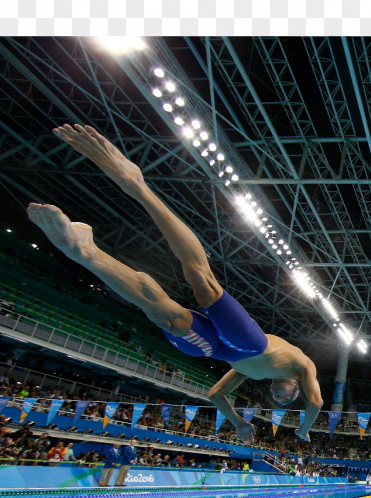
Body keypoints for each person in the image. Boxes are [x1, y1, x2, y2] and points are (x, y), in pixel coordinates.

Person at [28, 124, 323, 444]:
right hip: (250, 340)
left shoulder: (248, 374)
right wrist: (305, 428)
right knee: (202, 283)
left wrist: (238, 423)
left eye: (278, 401)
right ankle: (136, 183)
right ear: (295, 389)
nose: (281, 399)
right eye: (287, 399)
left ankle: (86, 252)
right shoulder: (301, 366)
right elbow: (318, 402)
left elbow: (215, 395)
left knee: (166, 316)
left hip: (219, 348)